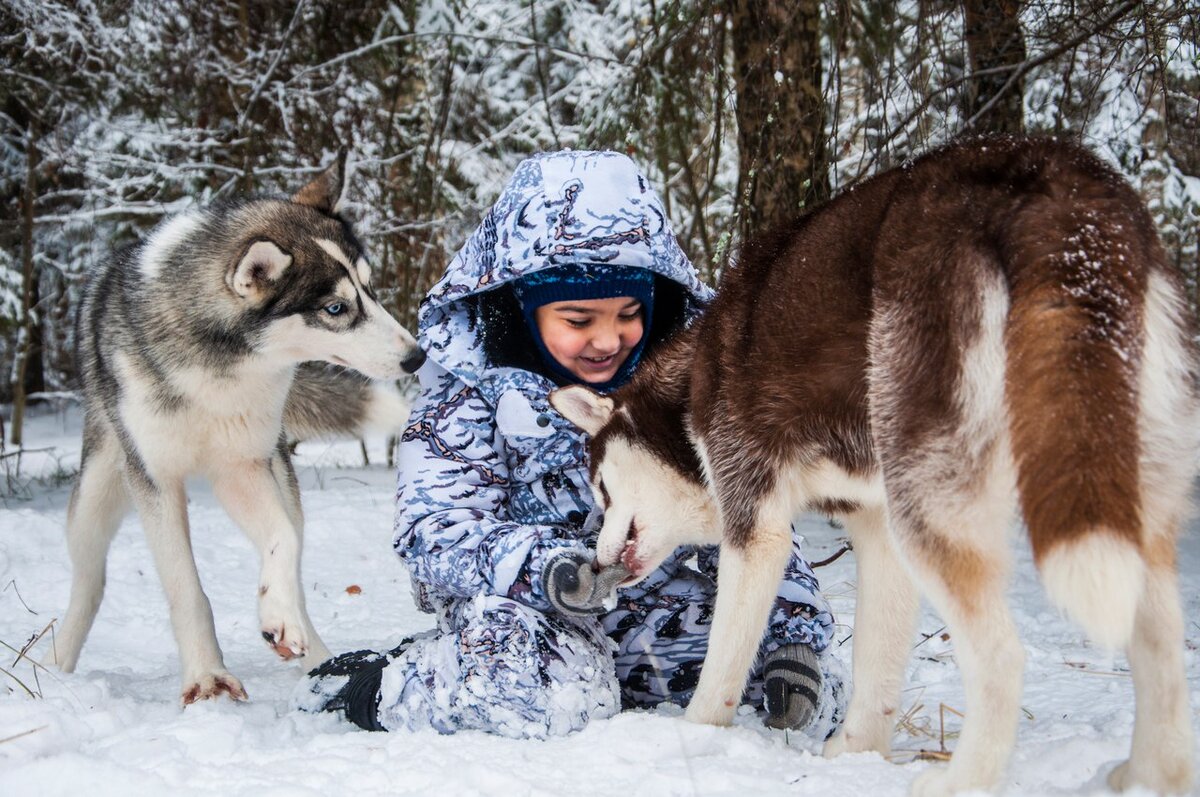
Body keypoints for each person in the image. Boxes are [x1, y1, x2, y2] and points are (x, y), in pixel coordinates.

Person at [296, 150, 843, 739]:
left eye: (630, 313)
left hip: (681, 630)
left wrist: (794, 633)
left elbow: (762, 524)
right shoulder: (469, 396)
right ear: (525, 308)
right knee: (529, 691)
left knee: (819, 703)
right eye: (578, 320)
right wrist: (546, 569)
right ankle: (385, 687)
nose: (608, 340)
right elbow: (435, 532)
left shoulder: (699, 393)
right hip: (538, 628)